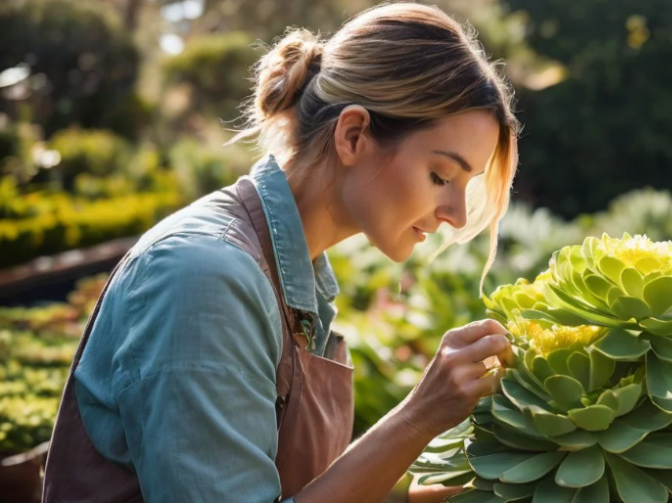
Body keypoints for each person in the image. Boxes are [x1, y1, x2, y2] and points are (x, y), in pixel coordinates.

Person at [40, 3, 520, 503]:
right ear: (353, 135)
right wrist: (419, 416)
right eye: (441, 176)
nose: (457, 216)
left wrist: (517, 480)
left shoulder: (294, 275)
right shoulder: (204, 277)